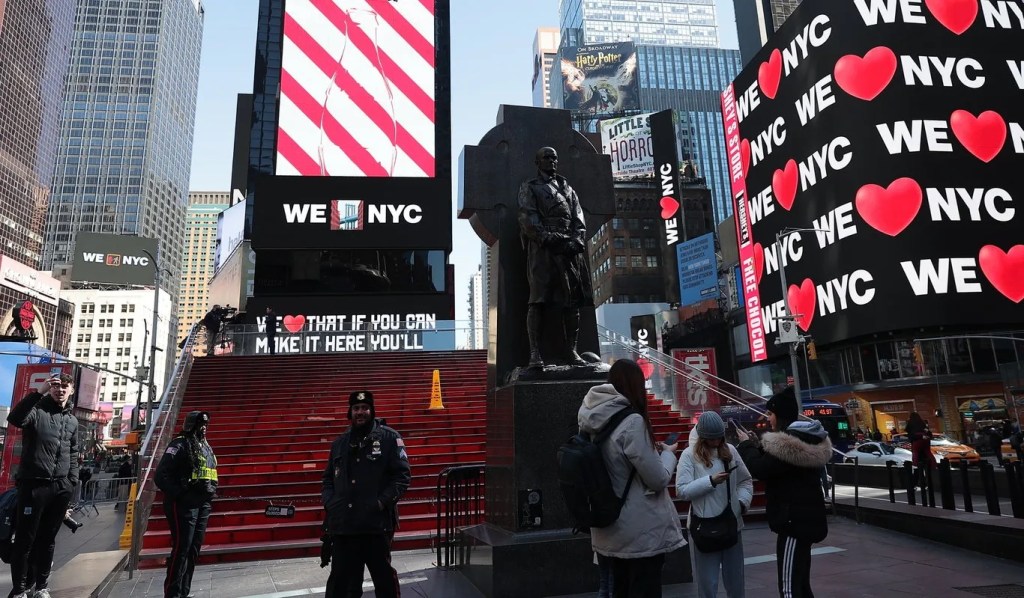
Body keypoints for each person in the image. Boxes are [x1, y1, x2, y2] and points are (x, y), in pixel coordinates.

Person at [578, 359, 685, 597]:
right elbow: (657, 479)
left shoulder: (589, 419)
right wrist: (668, 456)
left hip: (607, 523)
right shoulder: (632, 421)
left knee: (621, 589)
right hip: (638, 531)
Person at [736, 387, 832, 598]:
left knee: (789, 587)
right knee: (802, 583)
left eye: (770, 414)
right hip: (806, 520)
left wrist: (745, 445)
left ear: (780, 415)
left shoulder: (786, 444)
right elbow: (777, 465)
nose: (768, 419)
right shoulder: (804, 440)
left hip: (792, 523)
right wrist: (757, 446)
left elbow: (761, 469)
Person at [322, 391, 411, 598]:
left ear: (371, 410)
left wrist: (380, 503)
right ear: (350, 412)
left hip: (376, 526)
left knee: (384, 582)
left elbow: (402, 477)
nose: (360, 412)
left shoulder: (390, 438)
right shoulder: (340, 443)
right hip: (345, 525)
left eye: (364, 408)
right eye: (356, 408)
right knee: (341, 585)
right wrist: (330, 502)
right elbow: (327, 480)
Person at [517, 146, 593, 368]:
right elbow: (527, 217)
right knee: (538, 300)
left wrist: (577, 240)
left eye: (554, 158)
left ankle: (571, 351)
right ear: (537, 162)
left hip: (569, 249)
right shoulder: (530, 187)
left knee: (572, 302)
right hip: (544, 250)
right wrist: (547, 237)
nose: (551, 161)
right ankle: (534, 354)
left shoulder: (568, 189)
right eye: (546, 158)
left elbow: (579, 219)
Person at [6, 374, 79, 598]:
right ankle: (19, 591)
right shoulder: (37, 411)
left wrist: (71, 481)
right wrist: (38, 392)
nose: (60, 390)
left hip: (60, 487)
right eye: (56, 386)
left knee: (48, 540)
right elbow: (15, 418)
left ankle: (41, 587)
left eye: (64, 387)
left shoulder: (73, 421)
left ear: (72, 390)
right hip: (33, 487)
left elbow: (74, 453)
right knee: (25, 541)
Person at [677, 412, 753, 598]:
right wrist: (710, 481)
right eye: (711, 439)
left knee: (736, 582)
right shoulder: (689, 455)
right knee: (708, 584)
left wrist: (742, 504)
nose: (716, 442)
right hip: (704, 527)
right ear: (703, 438)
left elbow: (745, 481)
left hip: (731, 523)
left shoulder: (730, 451)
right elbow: (682, 490)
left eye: (719, 437)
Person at [155, 411, 218, 598]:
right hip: (182, 504)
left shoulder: (206, 448)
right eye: (200, 424)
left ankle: (184, 592)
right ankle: (172, 594)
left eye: (206, 424)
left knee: (193, 549)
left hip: (202, 503)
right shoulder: (179, 445)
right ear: (191, 425)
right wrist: (181, 493)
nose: (204, 427)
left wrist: (211, 489)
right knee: (182, 548)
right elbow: (161, 476)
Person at [905, 412, 936, 486]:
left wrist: (918, 437)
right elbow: (929, 433)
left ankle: (916, 483)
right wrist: (925, 436)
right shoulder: (922, 424)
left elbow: (910, 434)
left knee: (916, 461)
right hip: (925, 444)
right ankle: (933, 465)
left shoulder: (910, 424)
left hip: (917, 444)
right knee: (928, 454)